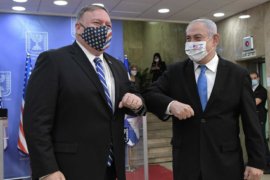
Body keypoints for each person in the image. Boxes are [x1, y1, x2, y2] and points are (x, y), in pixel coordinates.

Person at [23, 5, 146, 180]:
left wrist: (137, 101)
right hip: (70, 169)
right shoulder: (54, 61)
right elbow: (36, 121)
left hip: (112, 168)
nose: (104, 29)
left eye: (108, 26)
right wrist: (47, 169)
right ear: (78, 28)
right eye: (97, 23)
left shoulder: (117, 66)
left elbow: (134, 96)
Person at [143, 19, 265, 180]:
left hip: (225, 162)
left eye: (197, 38)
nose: (191, 43)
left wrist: (256, 161)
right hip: (187, 163)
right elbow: (149, 94)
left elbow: (251, 121)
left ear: (215, 40)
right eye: (188, 39)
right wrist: (171, 105)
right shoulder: (175, 72)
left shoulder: (237, 74)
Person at [250, 72, 270, 173]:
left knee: (262, 140)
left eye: (255, 78)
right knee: (254, 140)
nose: (253, 80)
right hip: (251, 118)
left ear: (258, 78)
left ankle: (267, 163)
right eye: (251, 78)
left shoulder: (262, 90)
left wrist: (245, 101)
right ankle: (255, 162)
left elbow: (255, 102)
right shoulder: (249, 90)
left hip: (260, 118)